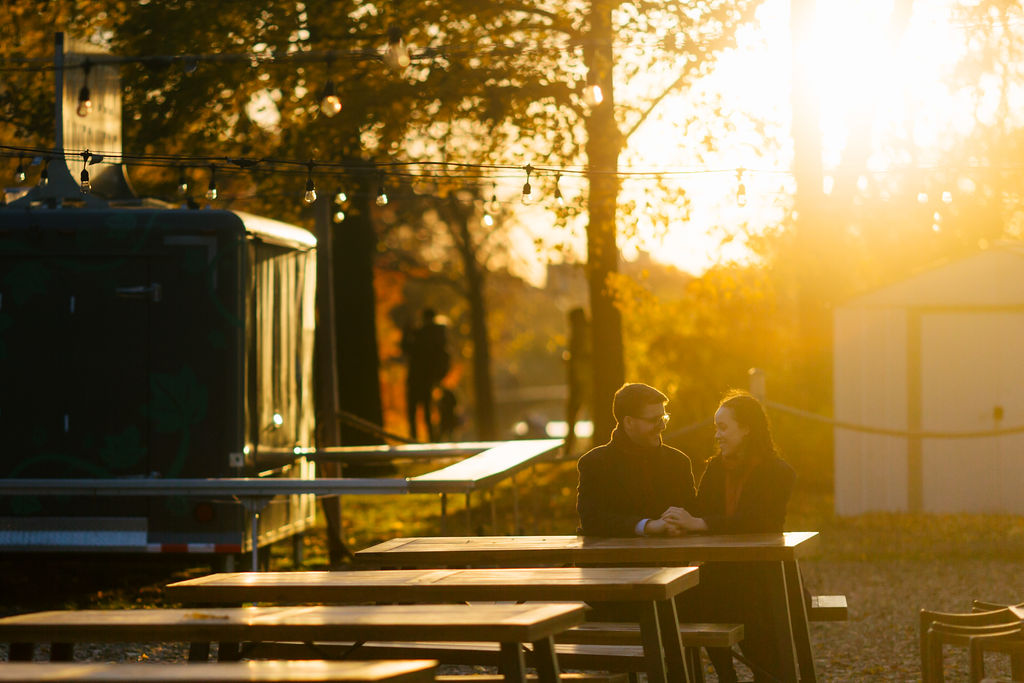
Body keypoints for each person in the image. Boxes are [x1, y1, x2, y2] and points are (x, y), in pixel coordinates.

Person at [665, 389, 796, 683]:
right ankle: (726, 675)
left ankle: (768, 674)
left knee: (749, 607)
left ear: (747, 428)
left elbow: (760, 521)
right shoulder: (715, 469)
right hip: (721, 575)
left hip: (763, 576)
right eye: (716, 428)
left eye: (723, 427)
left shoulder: (778, 473)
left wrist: (699, 523)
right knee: (677, 603)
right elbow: (700, 511)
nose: (718, 436)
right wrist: (680, 522)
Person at [576, 382, 697, 537]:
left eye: (663, 418)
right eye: (654, 420)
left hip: (670, 560)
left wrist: (682, 525)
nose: (662, 426)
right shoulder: (595, 463)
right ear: (629, 422)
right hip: (613, 560)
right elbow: (592, 520)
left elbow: (693, 513)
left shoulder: (679, 462)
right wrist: (648, 526)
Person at [401, 308, 450, 441]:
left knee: (414, 411)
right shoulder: (438, 335)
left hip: (417, 377)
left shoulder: (421, 334)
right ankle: (431, 439)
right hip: (428, 378)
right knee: (427, 410)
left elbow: (406, 348)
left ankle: (414, 440)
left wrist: (406, 332)